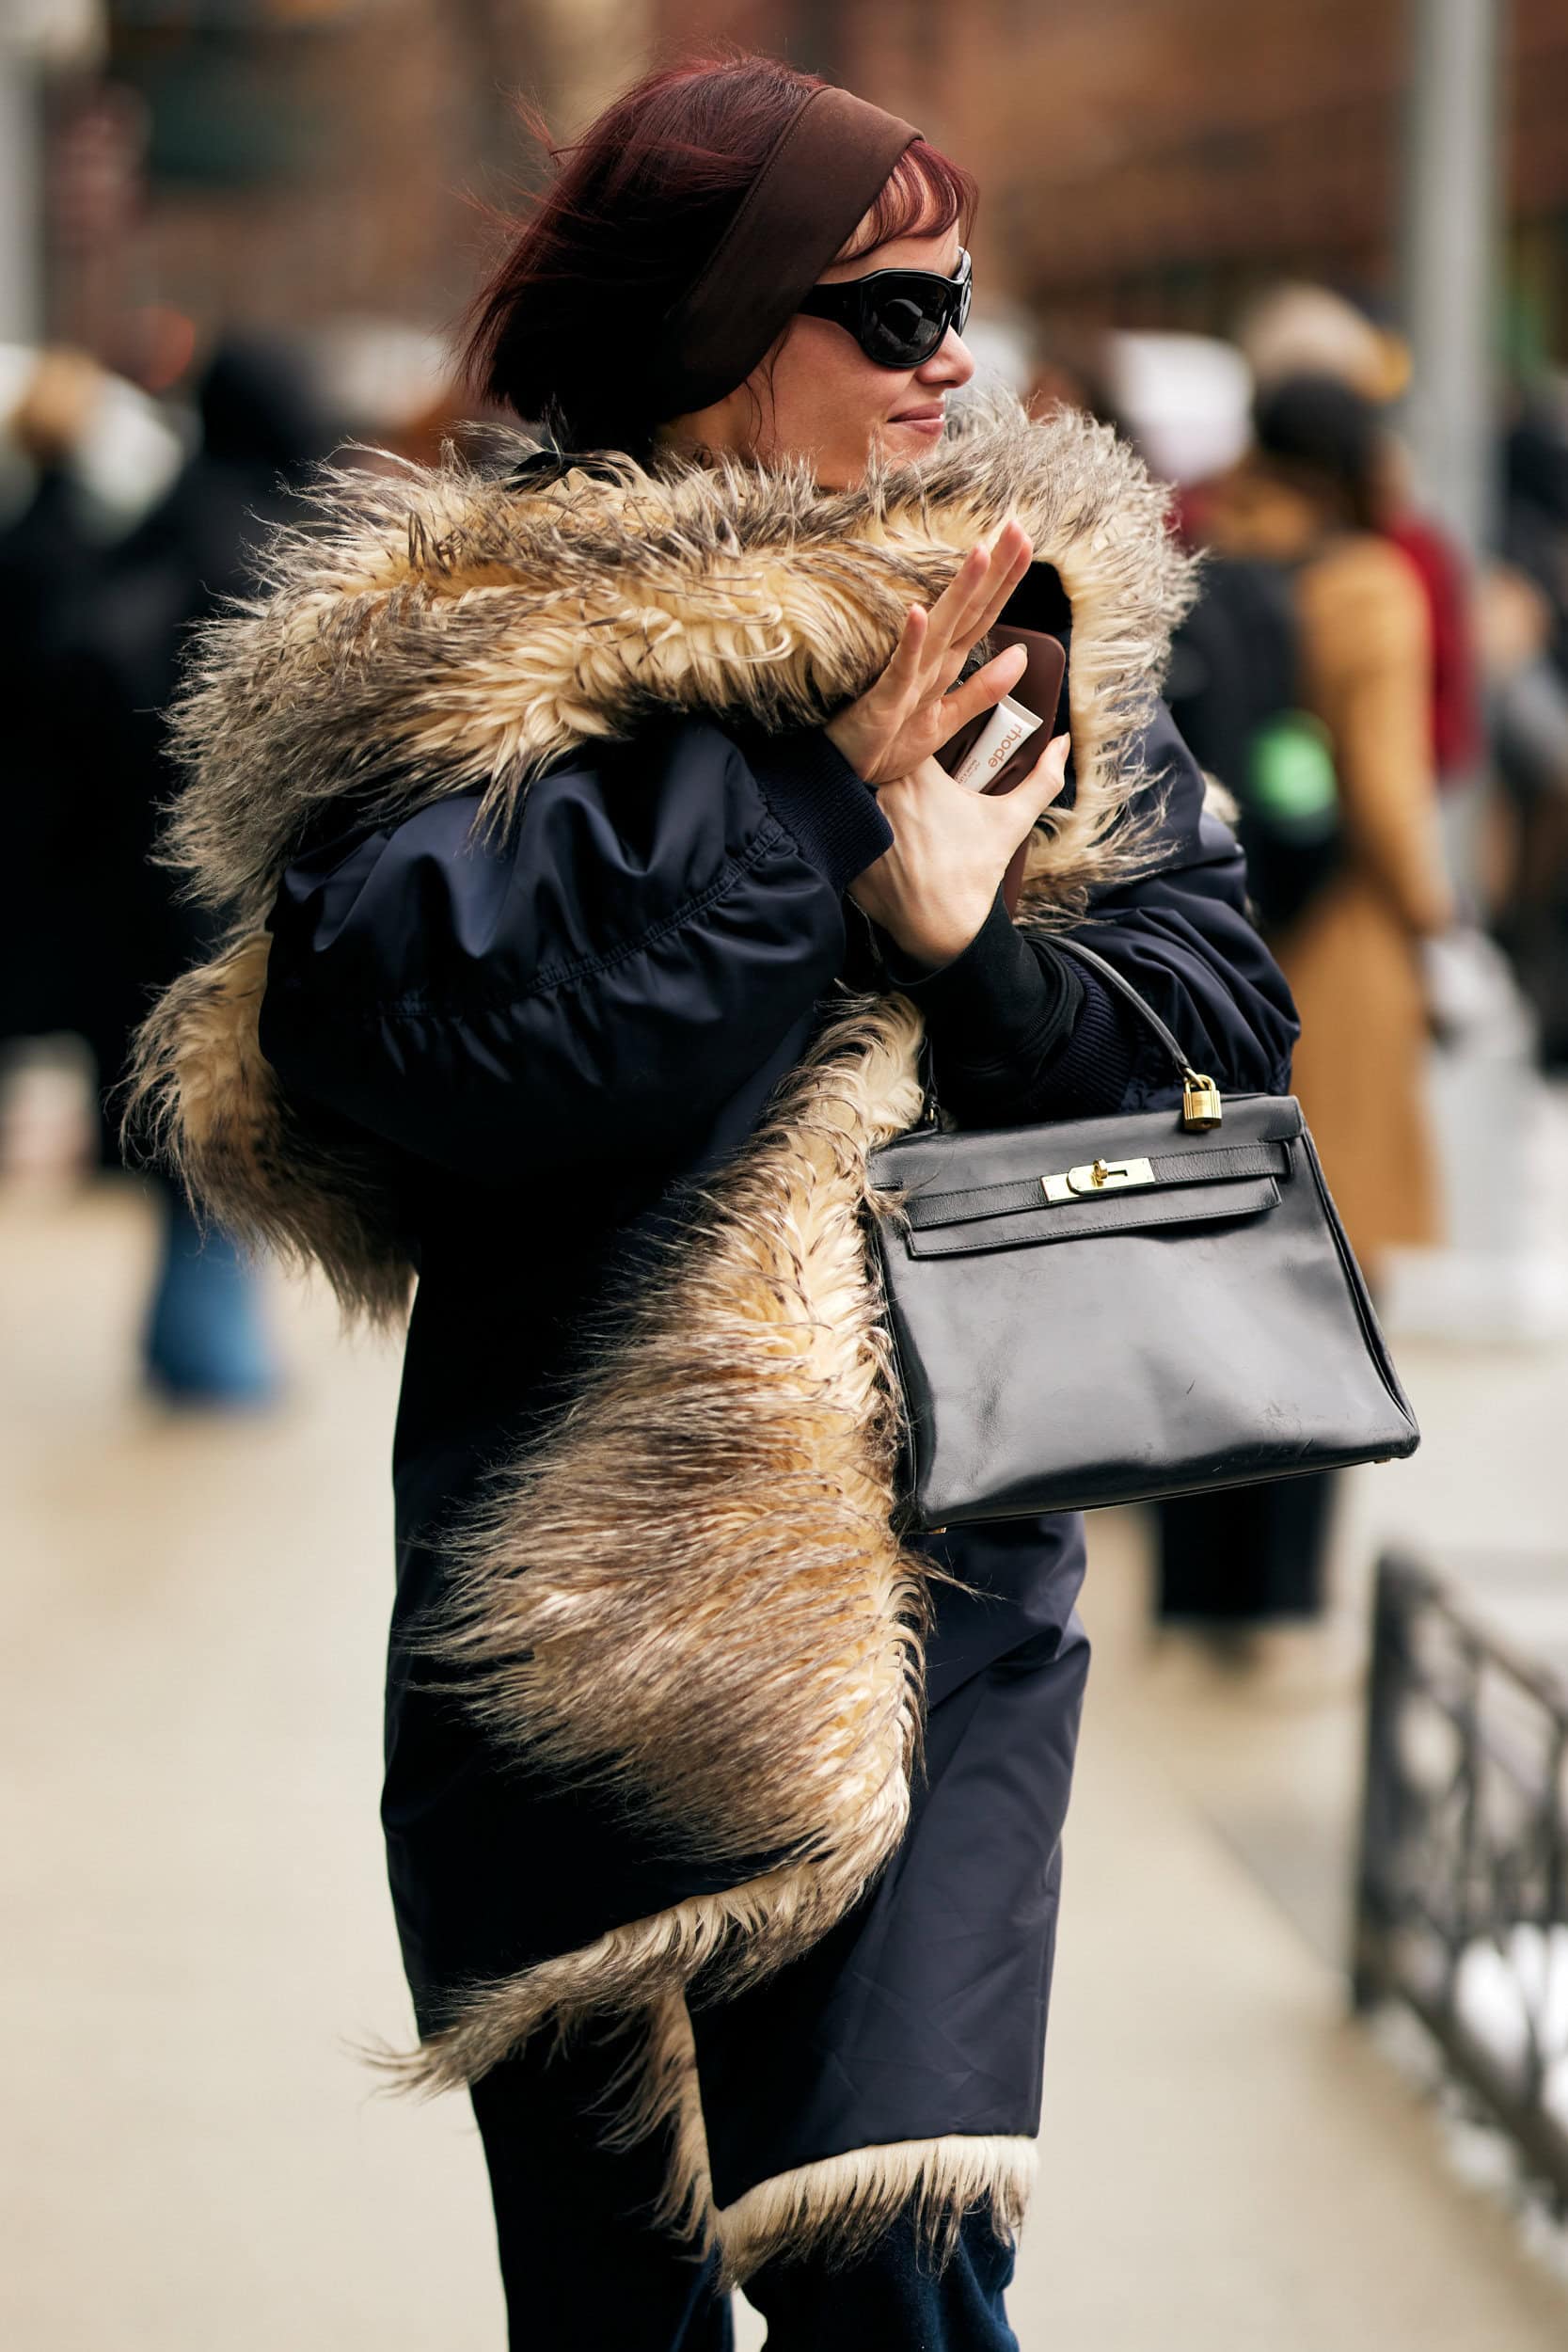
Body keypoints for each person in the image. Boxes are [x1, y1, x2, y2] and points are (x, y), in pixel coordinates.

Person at [131, 56, 1296, 2351]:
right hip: (564, 1634)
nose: (952, 355)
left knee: (903, 2282)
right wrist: (829, 851)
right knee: (612, 2312)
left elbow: (1214, 1037)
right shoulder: (464, 672)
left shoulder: (1037, 624)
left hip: (943, 1612)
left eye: (959, 299)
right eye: (889, 309)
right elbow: (447, 1053)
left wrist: (975, 954)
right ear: (714, 329)